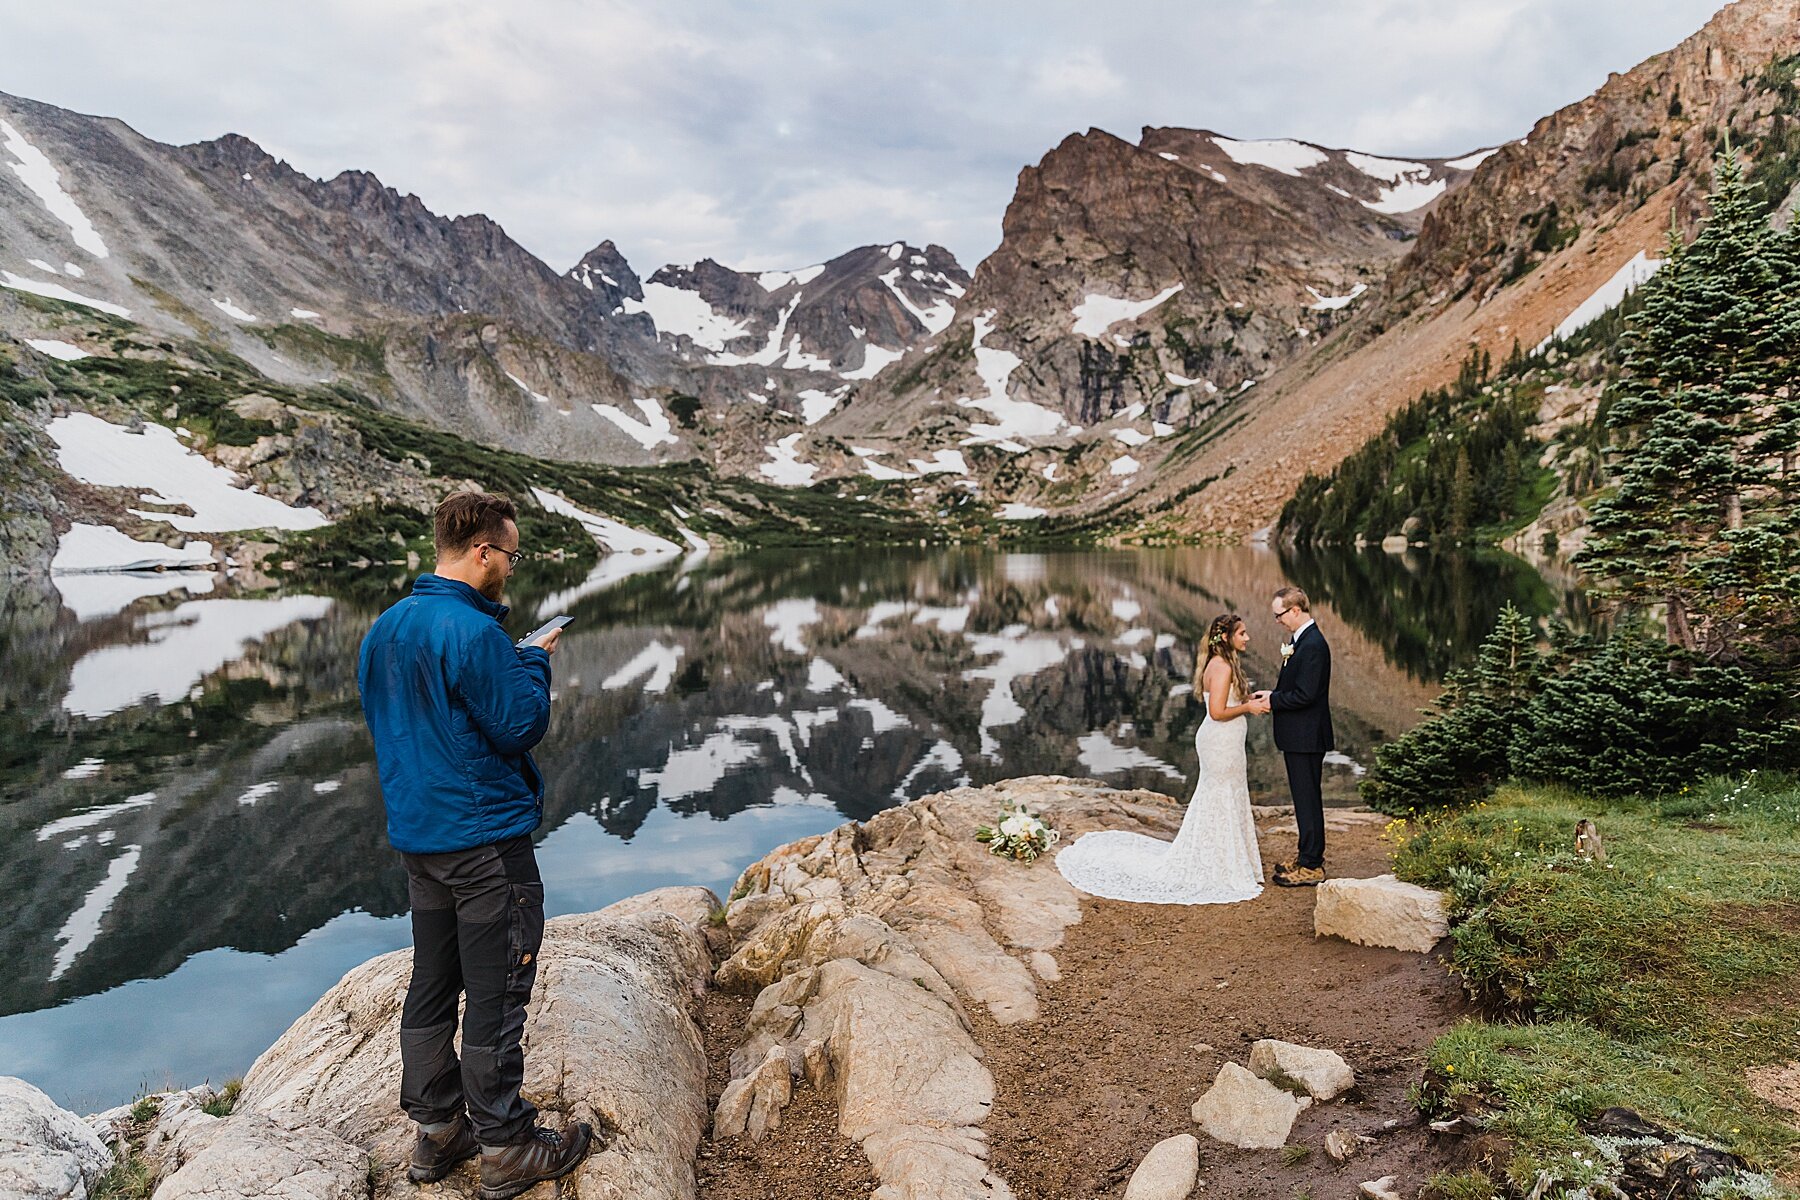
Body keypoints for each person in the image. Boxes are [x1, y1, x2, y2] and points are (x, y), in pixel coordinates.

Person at [357, 491, 594, 1199]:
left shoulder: (385, 628)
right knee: (497, 991)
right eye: (510, 556)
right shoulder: (473, 632)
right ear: (483, 551)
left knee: (433, 982)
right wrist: (534, 663)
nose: (511, 570)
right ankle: (506, 1144)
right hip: (486, 841)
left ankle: (437, 1132)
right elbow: (519, 724)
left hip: (421, 840)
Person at [1055, 613, 1270, 904]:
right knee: (1219, 794)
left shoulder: (1221, 664)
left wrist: (1246, 701)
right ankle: (1220, 863)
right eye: (1242, 633)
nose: (1247, 638)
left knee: (1226, 794)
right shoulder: (1221, 667)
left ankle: (1227, 858)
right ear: (1227, 637)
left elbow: (1222, 705)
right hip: (1220, 741)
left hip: (1226, 742)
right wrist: (1249, 709)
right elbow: (1217, 713)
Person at [1254, 586, 1334, 887]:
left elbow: (1306, 695)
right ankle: (1305, 857)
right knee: (1304, 799)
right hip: (1300, 736)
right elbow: (1296, 688)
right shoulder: (1300, 641)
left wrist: (1272, 702)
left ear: (1295, 610)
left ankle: (1312, 865)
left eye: (1280, 615)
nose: (1277, 621)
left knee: (1308, 800)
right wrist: (1272, 693)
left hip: (1307, 736)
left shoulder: (1313, 644)